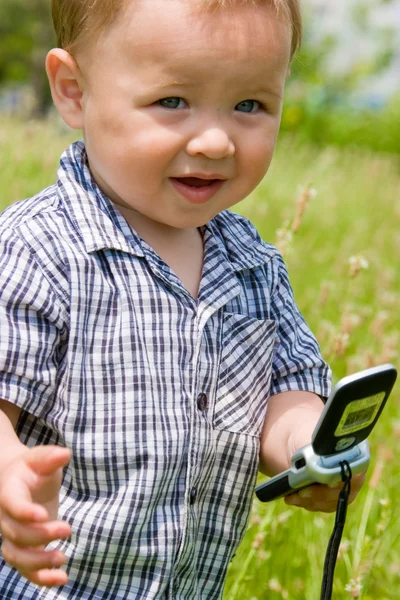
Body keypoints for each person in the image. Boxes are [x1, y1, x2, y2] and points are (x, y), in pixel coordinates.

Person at [0, 0, 365, 598]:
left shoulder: (255, 266)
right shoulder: (39, 251)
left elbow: (285, 391)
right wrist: (10, 473)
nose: (217, 139)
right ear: (73, 92)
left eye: (250, 105)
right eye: (172, 101)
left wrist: (308, 447)